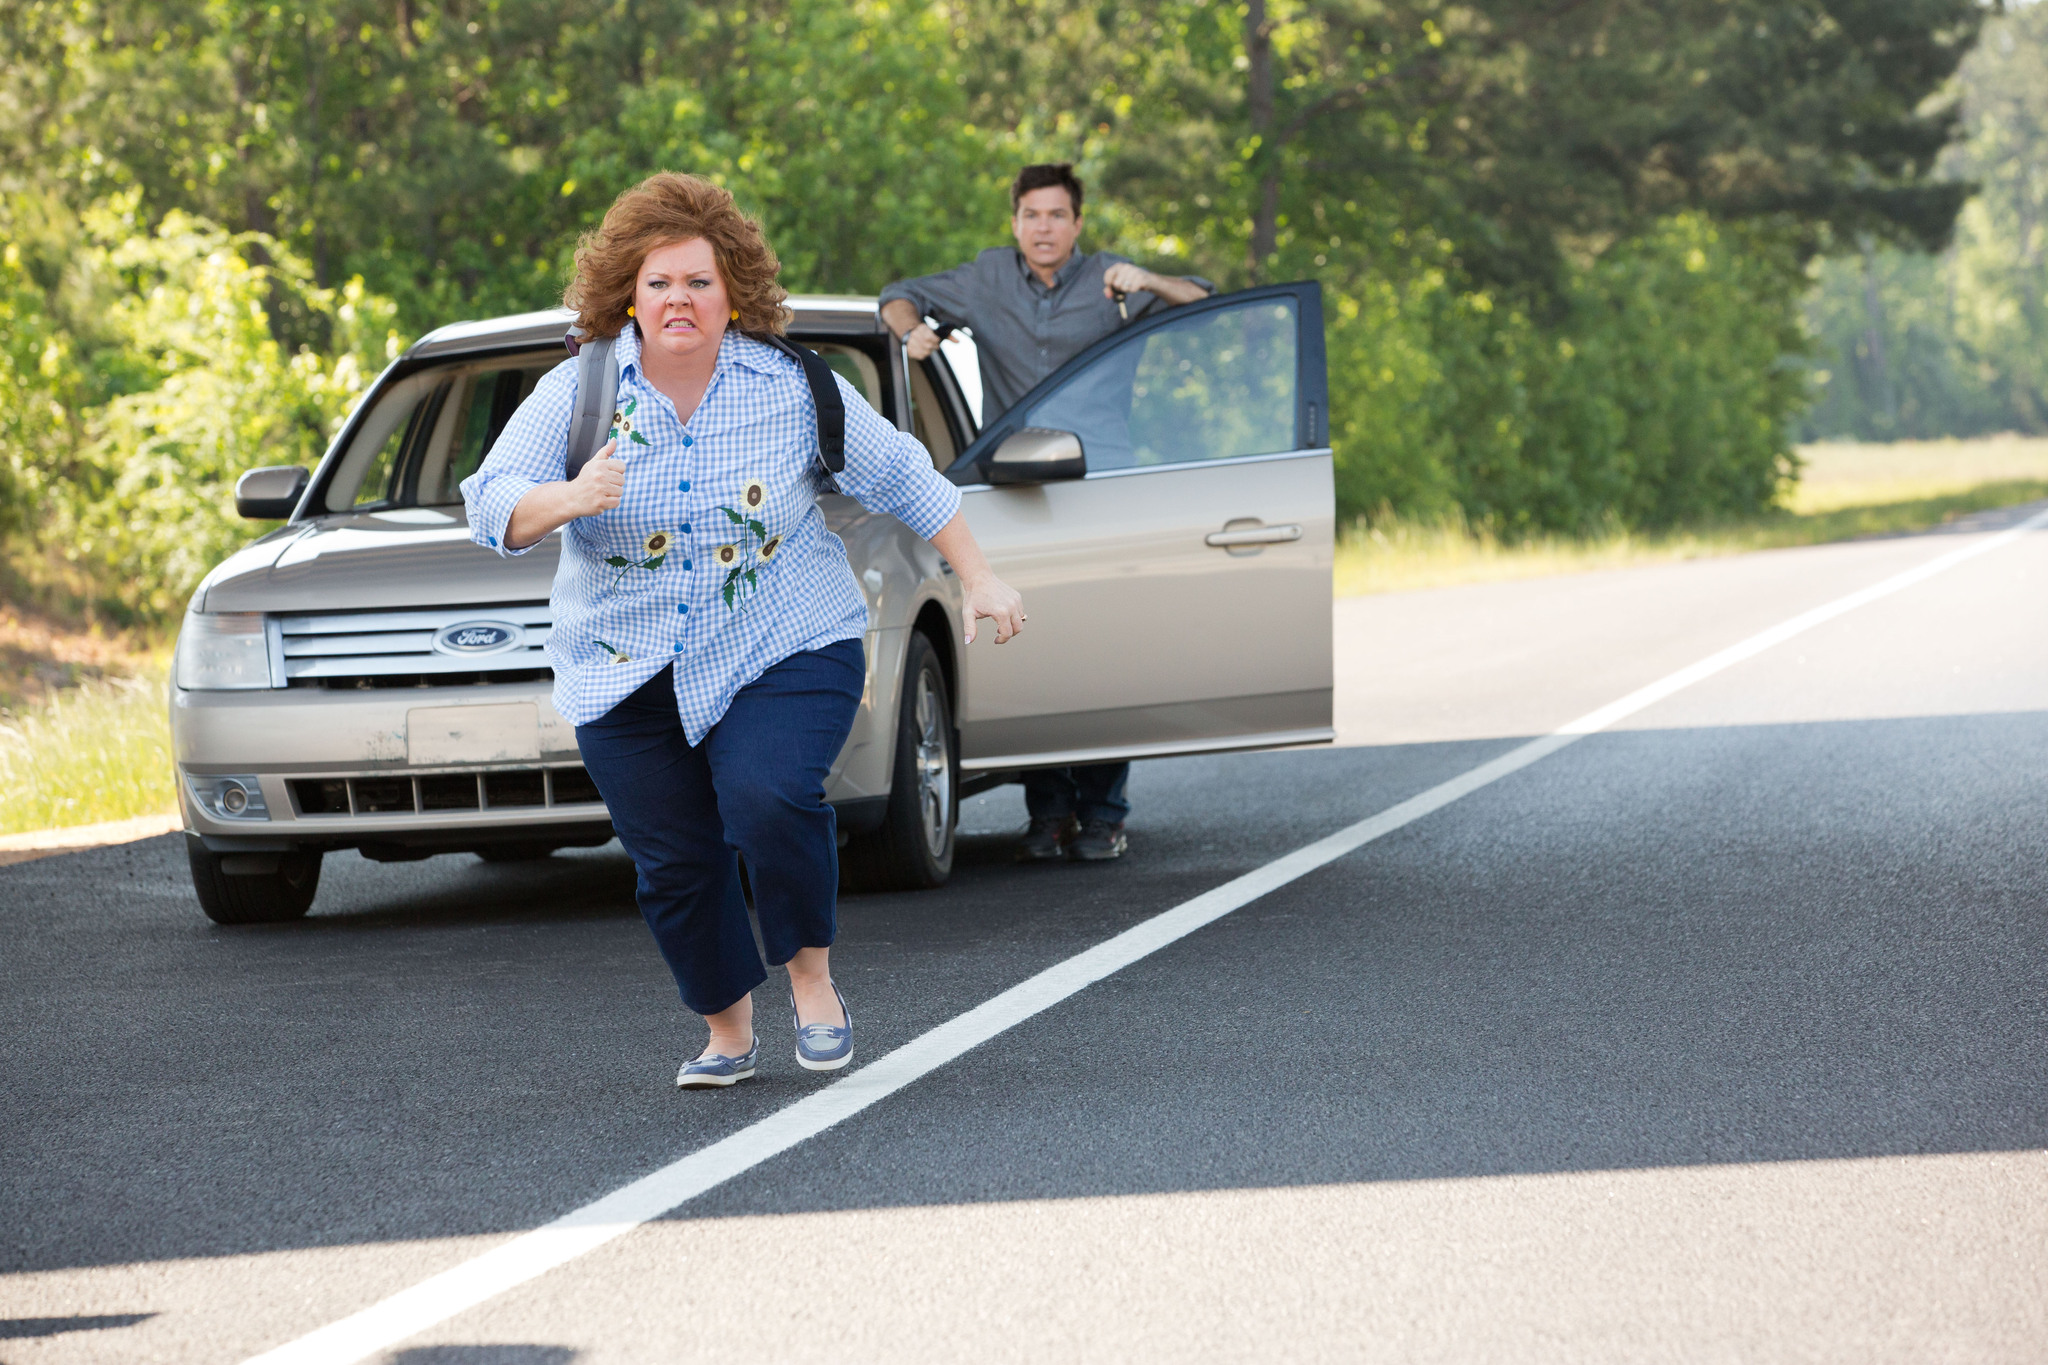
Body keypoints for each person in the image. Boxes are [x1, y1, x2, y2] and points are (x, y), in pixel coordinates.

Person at [463, 173, 1025, 1089]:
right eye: (659, 284)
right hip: (625, 662)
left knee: (768, 797)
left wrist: (982, 575)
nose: (678, 300)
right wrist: (568, 496)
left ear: (735, 296)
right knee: (674, 862)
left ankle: (813, 983)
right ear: (628, 298)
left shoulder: (794, 387)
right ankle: (728, 1029)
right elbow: (490, 504)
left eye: (699, 282)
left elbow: (903, 475)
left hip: (786, 637)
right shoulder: (578, 392)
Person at [879, 162, 1212, 864]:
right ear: (1015, 221)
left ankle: (1103, 812)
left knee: (1106, 647)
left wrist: (1145, 280)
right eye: (1032, 215)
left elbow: (1203, 300)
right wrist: (911, 334)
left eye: (1057, 215)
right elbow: (897, 297)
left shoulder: (1110, 279)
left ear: (1078, 223)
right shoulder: (988, 278)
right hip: (1020, 492)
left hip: (1103, 489)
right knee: (1030, 644)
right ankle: (1050, 810)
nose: (1044, 228)